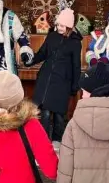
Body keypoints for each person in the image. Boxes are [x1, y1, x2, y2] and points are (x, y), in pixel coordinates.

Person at [32, 7, 82, 142]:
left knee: (59, 115)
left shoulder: (75, 42)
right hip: (46, 80)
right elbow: (42, 53)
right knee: (45, 113)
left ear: (69, 27)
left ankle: (57, 142)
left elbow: (76, 65)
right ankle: (43, 141)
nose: (59, 27)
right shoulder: (52, 36)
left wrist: (75, 85)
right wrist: (31, 60)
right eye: (58, 24)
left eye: (62, 26)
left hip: (62, 82)